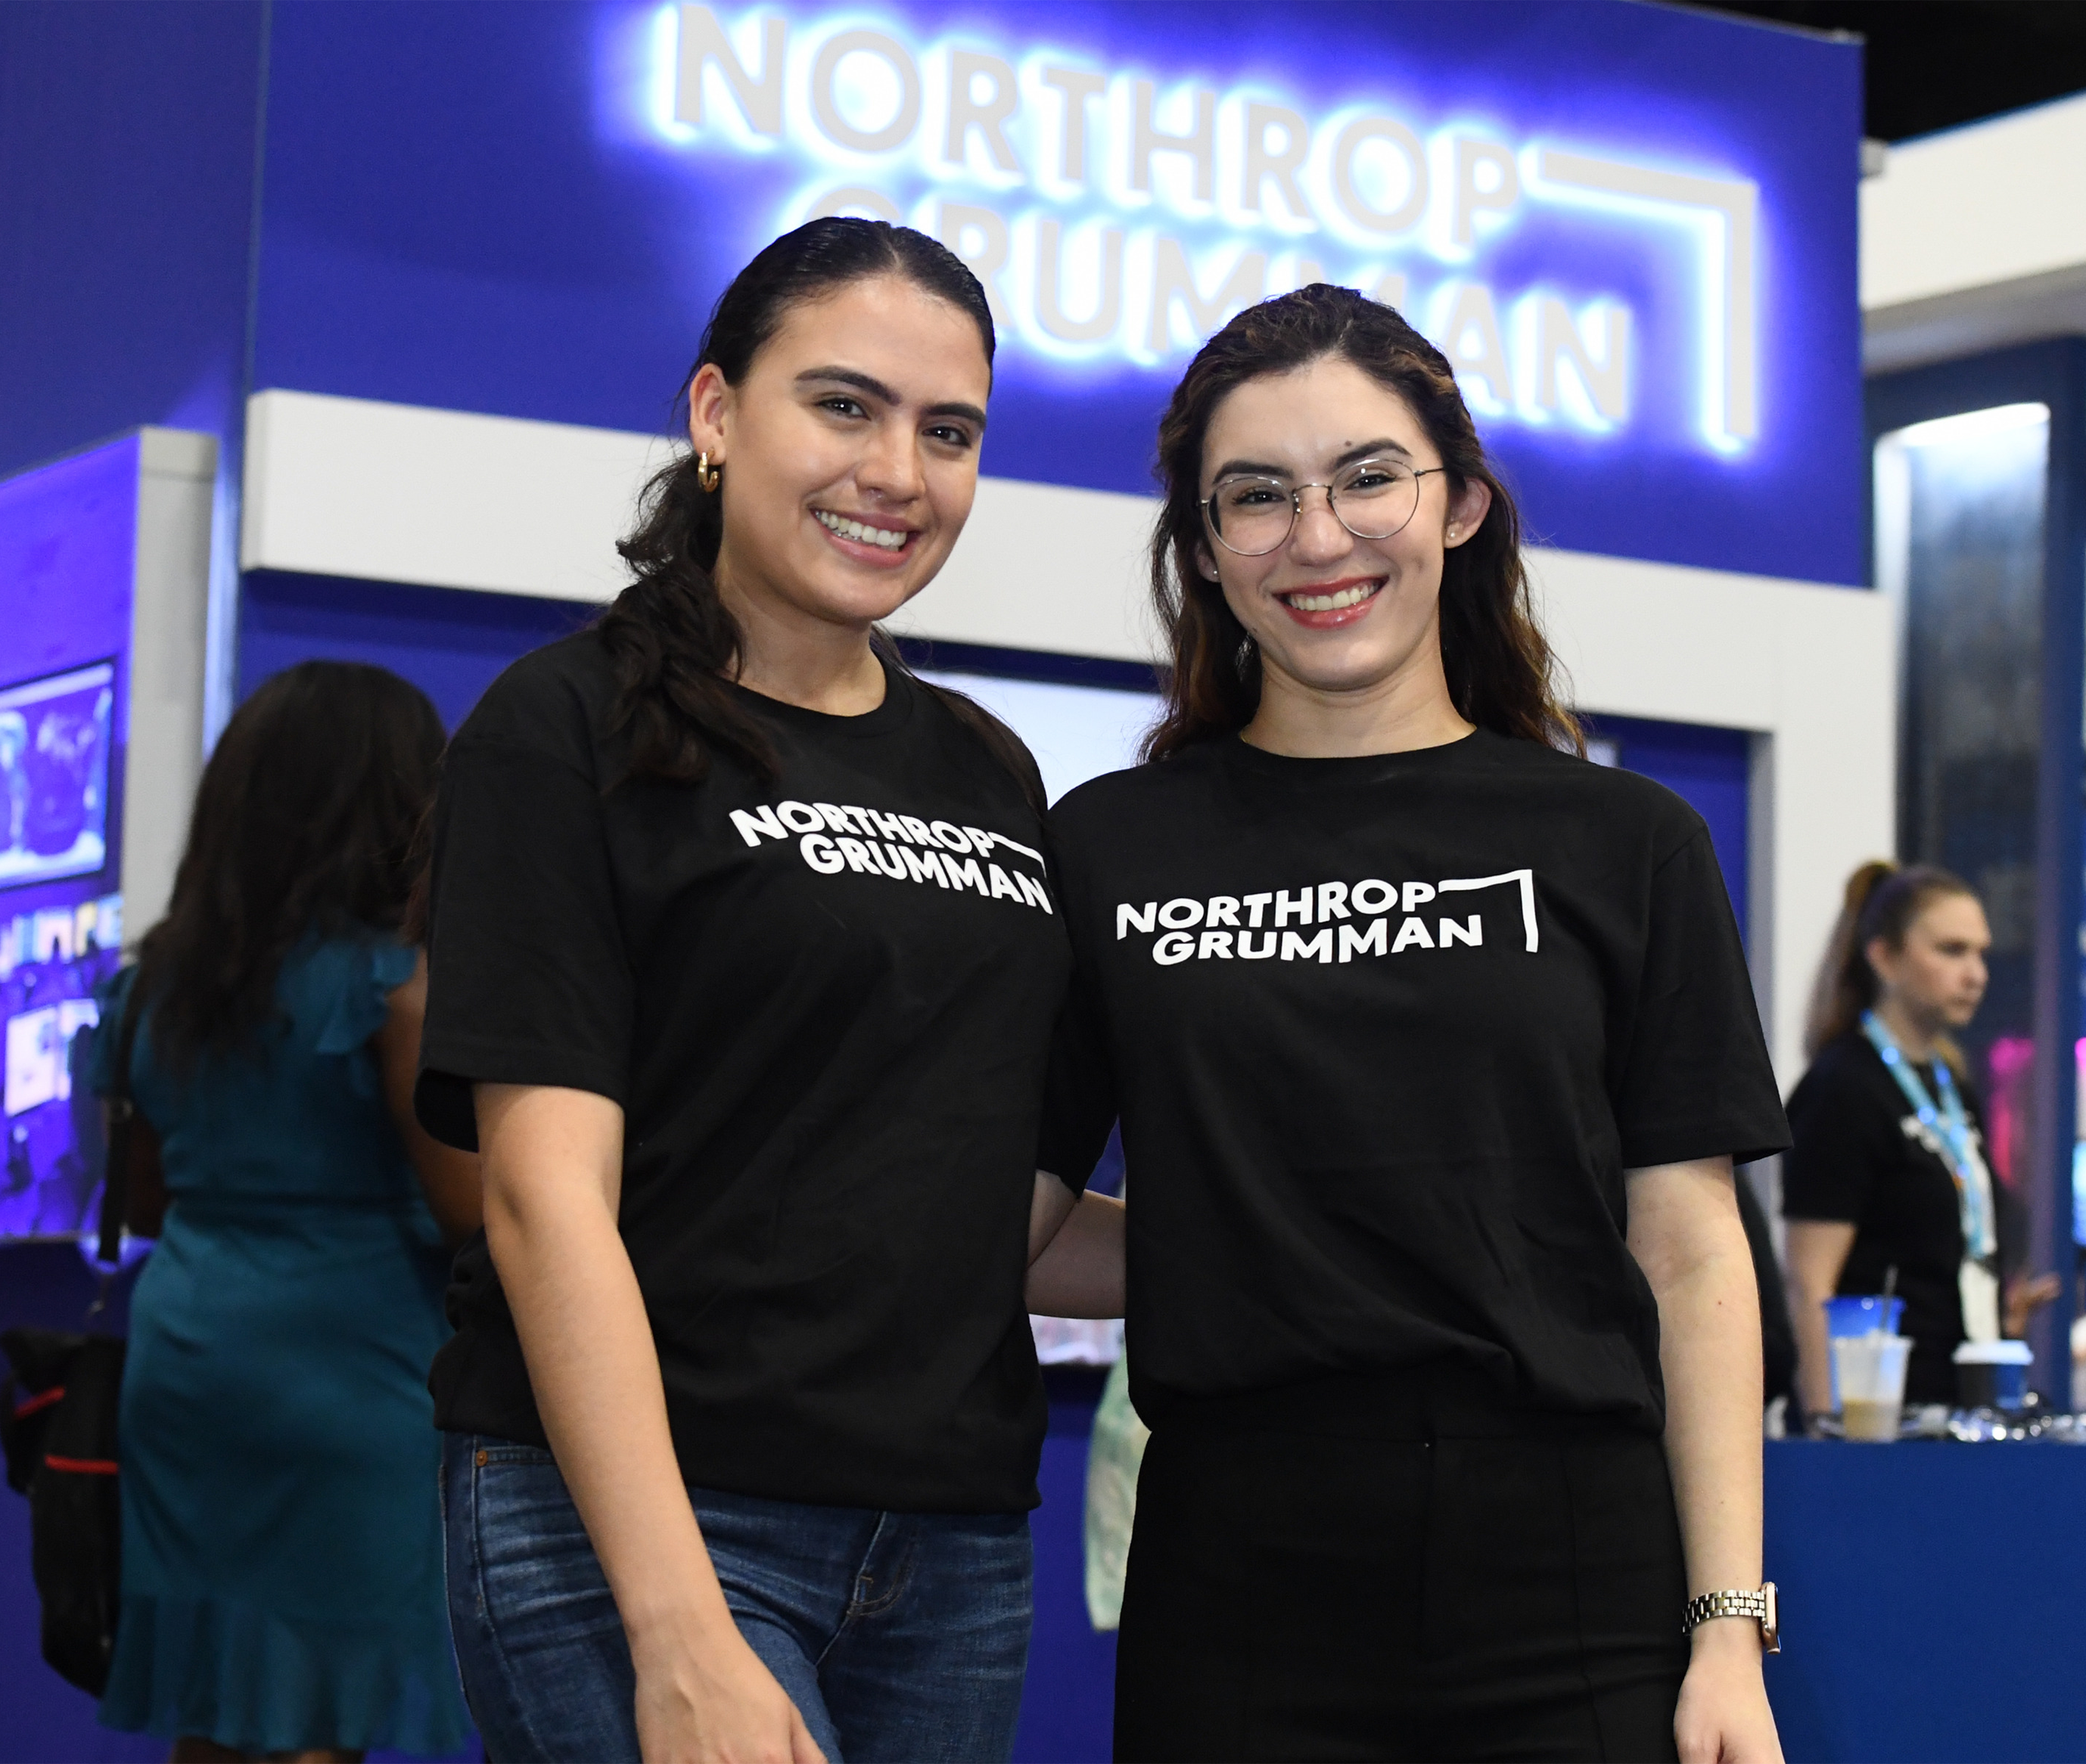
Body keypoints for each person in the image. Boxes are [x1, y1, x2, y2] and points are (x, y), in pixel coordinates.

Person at [1036, 284, 1789, 1763]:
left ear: (1460, 506)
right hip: (1235, 1573)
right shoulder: (1112, 848)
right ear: (1201, 546)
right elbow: (1016, 1218)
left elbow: (1690, 1251)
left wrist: (1723, 1627)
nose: (1316, 537)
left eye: (1368, 475)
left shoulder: (1620, 841)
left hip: (1569, 1568)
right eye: (1254, 496)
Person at [414, 217, 1121, 1764]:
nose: (899, 471)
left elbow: (968, 1211)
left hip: (948, 1541)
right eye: (844, 404)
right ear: (718, 414)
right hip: (651, 1512)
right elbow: (541, 1203)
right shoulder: (564, 728)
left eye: (949, 431)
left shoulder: (988, 768)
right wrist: (673, 1622)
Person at [91, 661, 480, 1763]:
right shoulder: (393, 981)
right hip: (353, 1367)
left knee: (219, 1694)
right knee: (324, 1704)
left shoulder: (153, 985)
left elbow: (146, 1192)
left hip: (190, 1356)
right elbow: (472, 1215)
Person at [1783, 861, 2052, 1418]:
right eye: (1952, 951)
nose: (1976, 973)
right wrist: (1831, 1429)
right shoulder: (1843, 1088)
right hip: (1882, 1419)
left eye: (1981, 953)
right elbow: (1810, 1283)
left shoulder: (1953, 1085)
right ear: (1884, 957)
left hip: (1963, 1403)